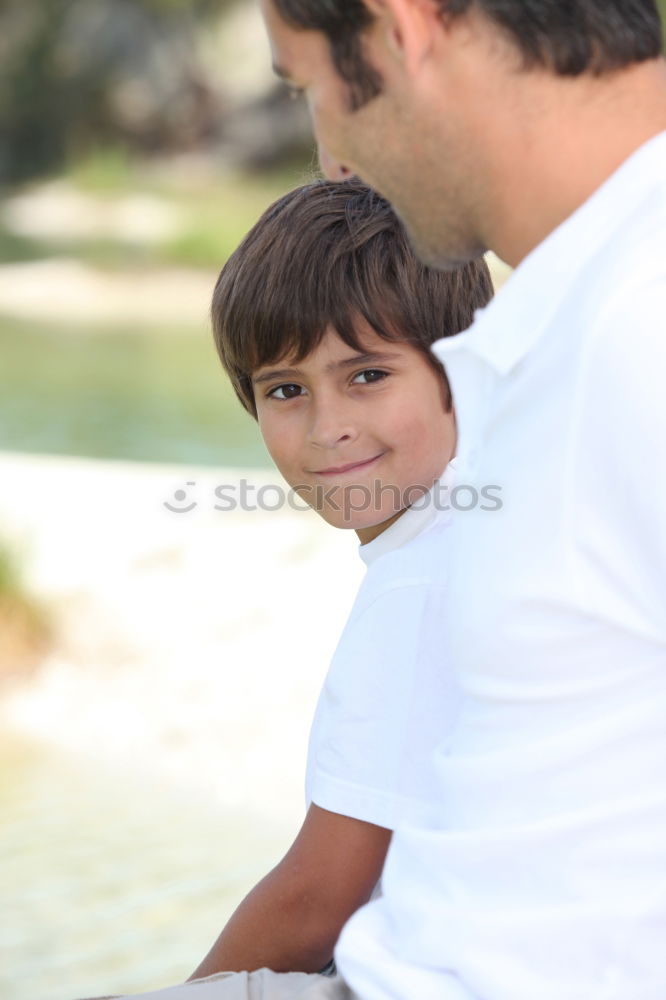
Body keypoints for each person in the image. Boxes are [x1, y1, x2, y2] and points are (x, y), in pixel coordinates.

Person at [251, 2, 666, 1000]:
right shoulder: (581, 304)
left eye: (309, 86)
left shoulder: (638, 315)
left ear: (406, 28)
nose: (333, 158)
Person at [77, 180, 493, 1000]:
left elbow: (319, 896)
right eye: (285, 390)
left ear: (463, 371)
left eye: (366, 375)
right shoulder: (482, 528)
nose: (325, 425)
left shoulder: (419, 581)